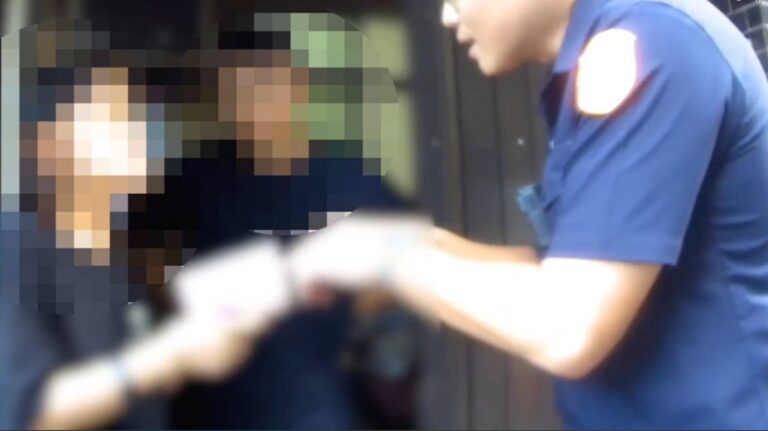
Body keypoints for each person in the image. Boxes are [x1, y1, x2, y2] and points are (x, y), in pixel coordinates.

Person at [287, 0, 768, 428]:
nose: (447, 16)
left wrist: (379, 253)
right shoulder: (611, 50)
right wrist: (387, 245)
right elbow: (565, 274)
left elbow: (568, 325)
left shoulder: (650, 43)